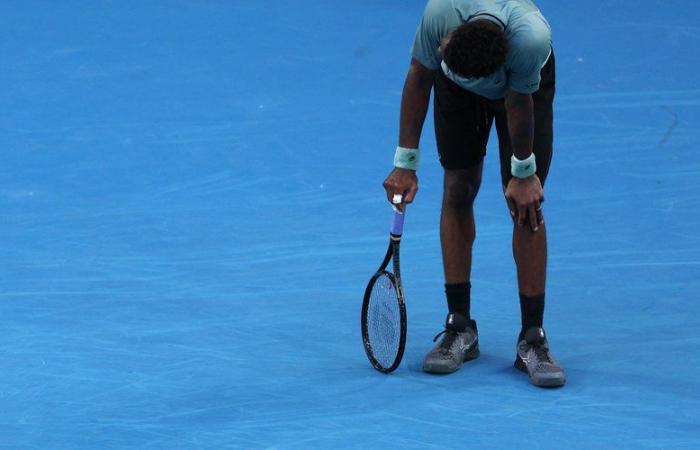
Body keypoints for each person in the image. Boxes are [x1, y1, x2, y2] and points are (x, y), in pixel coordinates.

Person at [382, 0, 565, 387]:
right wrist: (405, 162)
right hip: (455, 86)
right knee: (458, 188)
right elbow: (419, 75)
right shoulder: (440, 14)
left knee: (526, 205)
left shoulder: (530, 40)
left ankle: (533, 336)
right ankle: (459, 326)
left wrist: (523, 173)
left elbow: (518, 101)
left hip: (523, 92)